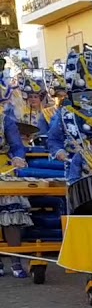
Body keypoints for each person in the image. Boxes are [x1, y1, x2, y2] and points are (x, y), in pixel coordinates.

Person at [0, 93, 30, 279]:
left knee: (11, 214)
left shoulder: (5, 119)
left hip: (3, 167)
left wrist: (18, 158)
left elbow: (17, 145)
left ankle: (16, 260)